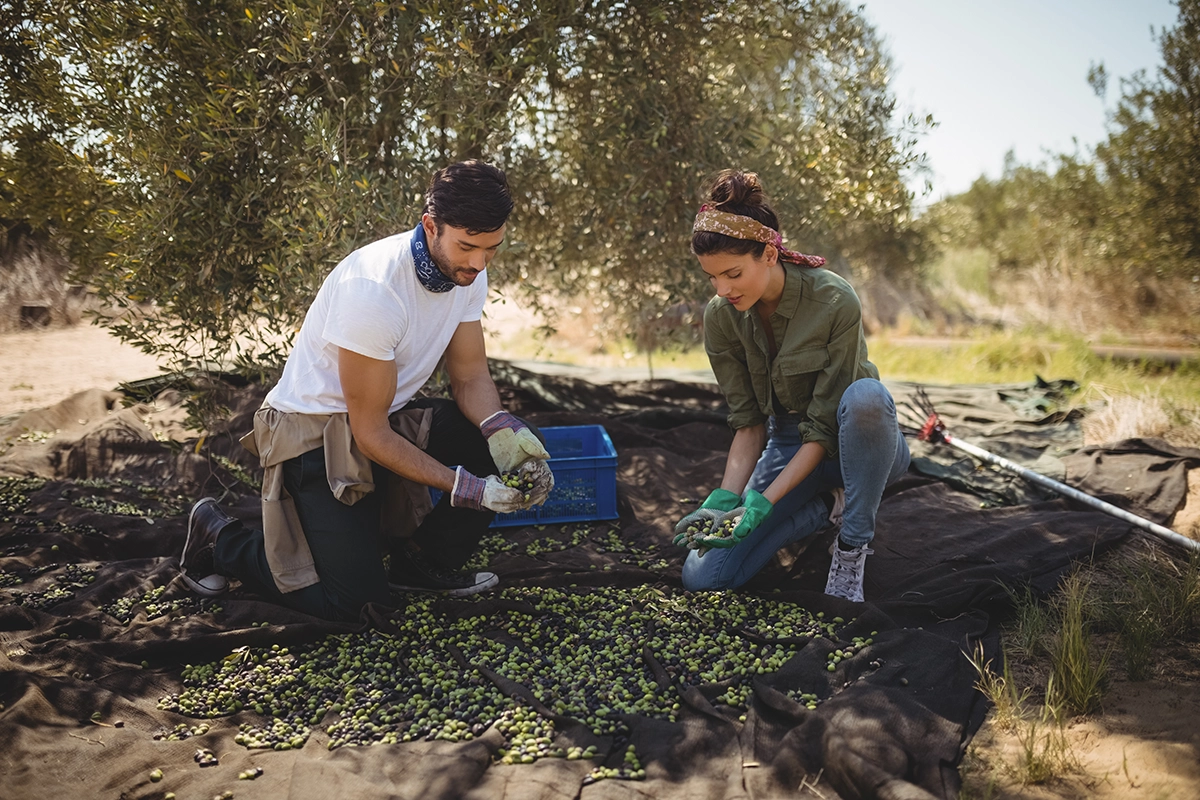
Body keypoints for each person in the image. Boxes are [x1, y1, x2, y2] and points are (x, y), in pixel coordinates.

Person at [177, 160, 554, 621]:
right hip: (312, 435)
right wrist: (466, 488)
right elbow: (370, 435)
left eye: (491, 250)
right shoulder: (374, 291)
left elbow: (471, 378)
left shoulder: (468, 274)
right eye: (468, 246)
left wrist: (504, 431)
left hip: (380, 418)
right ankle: (222, 541)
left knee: (490, 440)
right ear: (431, 226)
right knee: (353, 606)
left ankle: (422, 564)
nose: (478, 263)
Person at [673, 170, 910, 602]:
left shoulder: (835, 300)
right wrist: (727, 501)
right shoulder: (720, 317)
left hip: (858, 441)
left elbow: (823, 431)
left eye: (733, 273)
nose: (723, 290)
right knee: (704, 576)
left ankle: (852, 544)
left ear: (768, 253)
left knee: (867, 398)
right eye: (712, 278)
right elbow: (748, 426)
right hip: (787, 442)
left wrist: (763, 502)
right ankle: (826, 507)